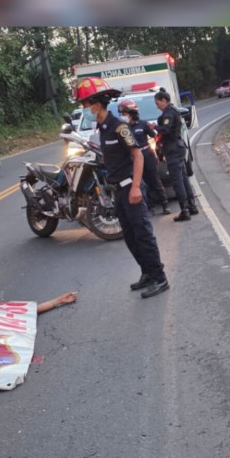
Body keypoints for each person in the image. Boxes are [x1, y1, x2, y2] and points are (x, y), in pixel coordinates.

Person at [76, 77, 169, 298]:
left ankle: (159, 277)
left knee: (143, 234)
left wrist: (136, 186)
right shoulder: (102, 128)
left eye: (85, 105)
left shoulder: (119, 127)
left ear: (96, 105)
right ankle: (146, 272)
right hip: (118, 189)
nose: (84, 109)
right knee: (129, 235)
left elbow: (137, 156)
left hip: (131, 188)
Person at [117, 98, 170, 215]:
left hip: (147, 155)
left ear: (132, 113)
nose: (123, 116)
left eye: (125, 114)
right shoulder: (122, 128)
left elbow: (156, 136)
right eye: (121, 114)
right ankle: (149, 207)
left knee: (155, 180)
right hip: (134, 159)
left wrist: (159, 150)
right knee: (142, 184)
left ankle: (165, 204)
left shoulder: (143, 124)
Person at [153, 88, 197, 222]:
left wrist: (153, 127)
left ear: (164, 100)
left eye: (158, 103)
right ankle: (191, 206)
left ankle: (184, 210)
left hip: (172, 148)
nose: (157, 106)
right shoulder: (173, 111)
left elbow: (165, 130)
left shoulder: (169, 113)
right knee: (183, 178)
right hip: (178, 147)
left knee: (177, 181)